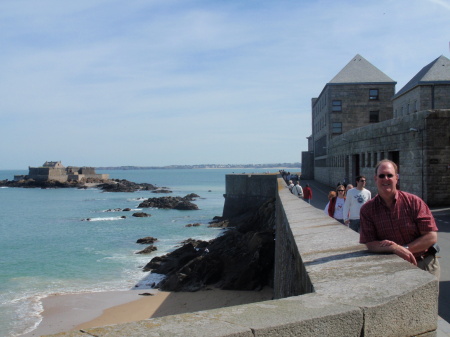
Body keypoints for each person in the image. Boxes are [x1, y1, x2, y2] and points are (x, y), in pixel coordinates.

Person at [360, 159, 439, 277]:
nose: (386, 178)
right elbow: (370, 243)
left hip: (424, 264)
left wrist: (403, 249)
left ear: (397, 178)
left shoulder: (414, 202)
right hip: (393, 269)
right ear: (375, 178)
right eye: (382, 175)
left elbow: (431, 237)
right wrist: (394, 248)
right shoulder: (367, 210)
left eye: (390, 175)